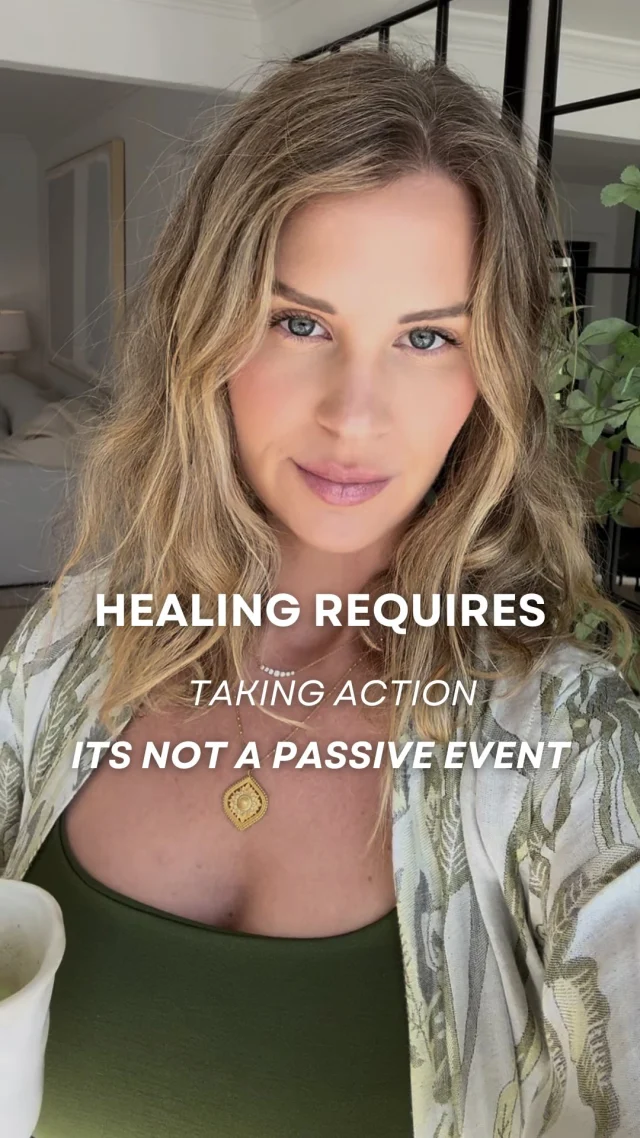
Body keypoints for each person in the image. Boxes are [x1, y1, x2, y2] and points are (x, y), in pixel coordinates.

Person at [1, 45, 639, 1138]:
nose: (354, 414)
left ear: (489, 374)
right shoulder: (73, 636)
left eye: (427, 338)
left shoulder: (570, 745)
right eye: (299, 322)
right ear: (207, 331)